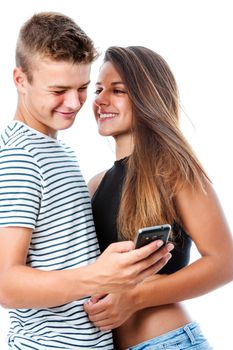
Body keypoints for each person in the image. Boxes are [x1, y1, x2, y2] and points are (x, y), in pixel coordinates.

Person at [0, 16, 172, 350]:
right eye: (58, 90)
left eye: (82, 88)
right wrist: (100, 275)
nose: (75, 103)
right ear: (20, 79)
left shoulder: (57, 150)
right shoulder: (19, 158)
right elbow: (6, 285)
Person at [84, 46, 233, 349]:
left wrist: (135, 297)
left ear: (146, 97)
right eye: (98, 89)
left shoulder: (173, 172)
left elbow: (225, 262)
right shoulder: (95, 184)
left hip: (166, 342)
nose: (100, 100)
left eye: (118, 90)